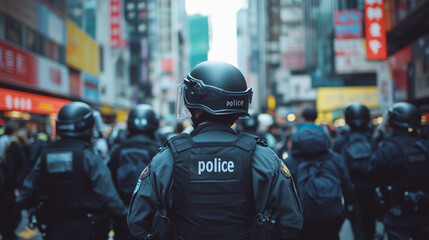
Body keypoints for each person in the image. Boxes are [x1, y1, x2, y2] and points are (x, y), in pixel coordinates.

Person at [128, 61, 303, 240]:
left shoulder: (167, 159)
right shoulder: (265, 158)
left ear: (196, 103)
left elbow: (137, 223)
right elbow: (292, 222)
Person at [16, 101, 127, 240]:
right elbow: (107, 193)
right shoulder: (88, 155)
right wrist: (124, 214)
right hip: (87, 227)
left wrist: (30, 207)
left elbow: (27, 191)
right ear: (87, 126)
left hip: (54, 227)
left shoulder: (46, 153)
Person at [363, 102, 429, 239]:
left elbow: (370, 171)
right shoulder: (423, 146)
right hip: (423, 209)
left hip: (397, 210)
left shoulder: (389, 148)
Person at [285, 127, 354, 240]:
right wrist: (345, 211)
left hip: (302, 223)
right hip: (332, 220)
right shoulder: (336, 159)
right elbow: (348, 188)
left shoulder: (289, 162)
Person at [108, 104, 161, 240]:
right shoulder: (160, 151)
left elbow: (108, 184)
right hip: (151, 218)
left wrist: (120, 210)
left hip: (122, 217)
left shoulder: (117, 150)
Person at [332, 103, 377, 240]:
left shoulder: (340, 141)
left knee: (357, 224)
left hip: (352, 189)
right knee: (370, 222)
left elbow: (336, 167)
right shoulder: (375, 139)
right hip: (372, 188)